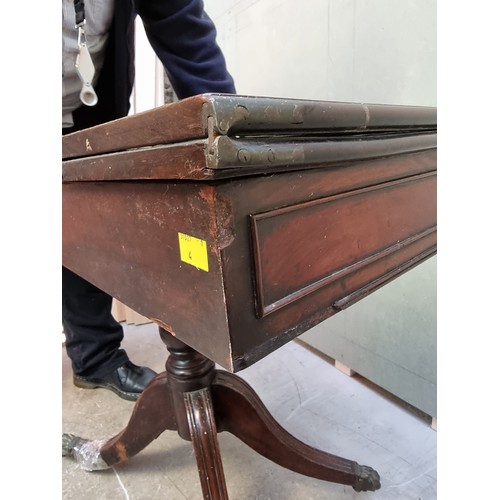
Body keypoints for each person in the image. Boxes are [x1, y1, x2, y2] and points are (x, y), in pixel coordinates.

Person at [62, 0, 236, 401]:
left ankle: (94, 359)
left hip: (91, 105)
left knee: (87, 227)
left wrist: (228, 125)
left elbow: (185, 33)